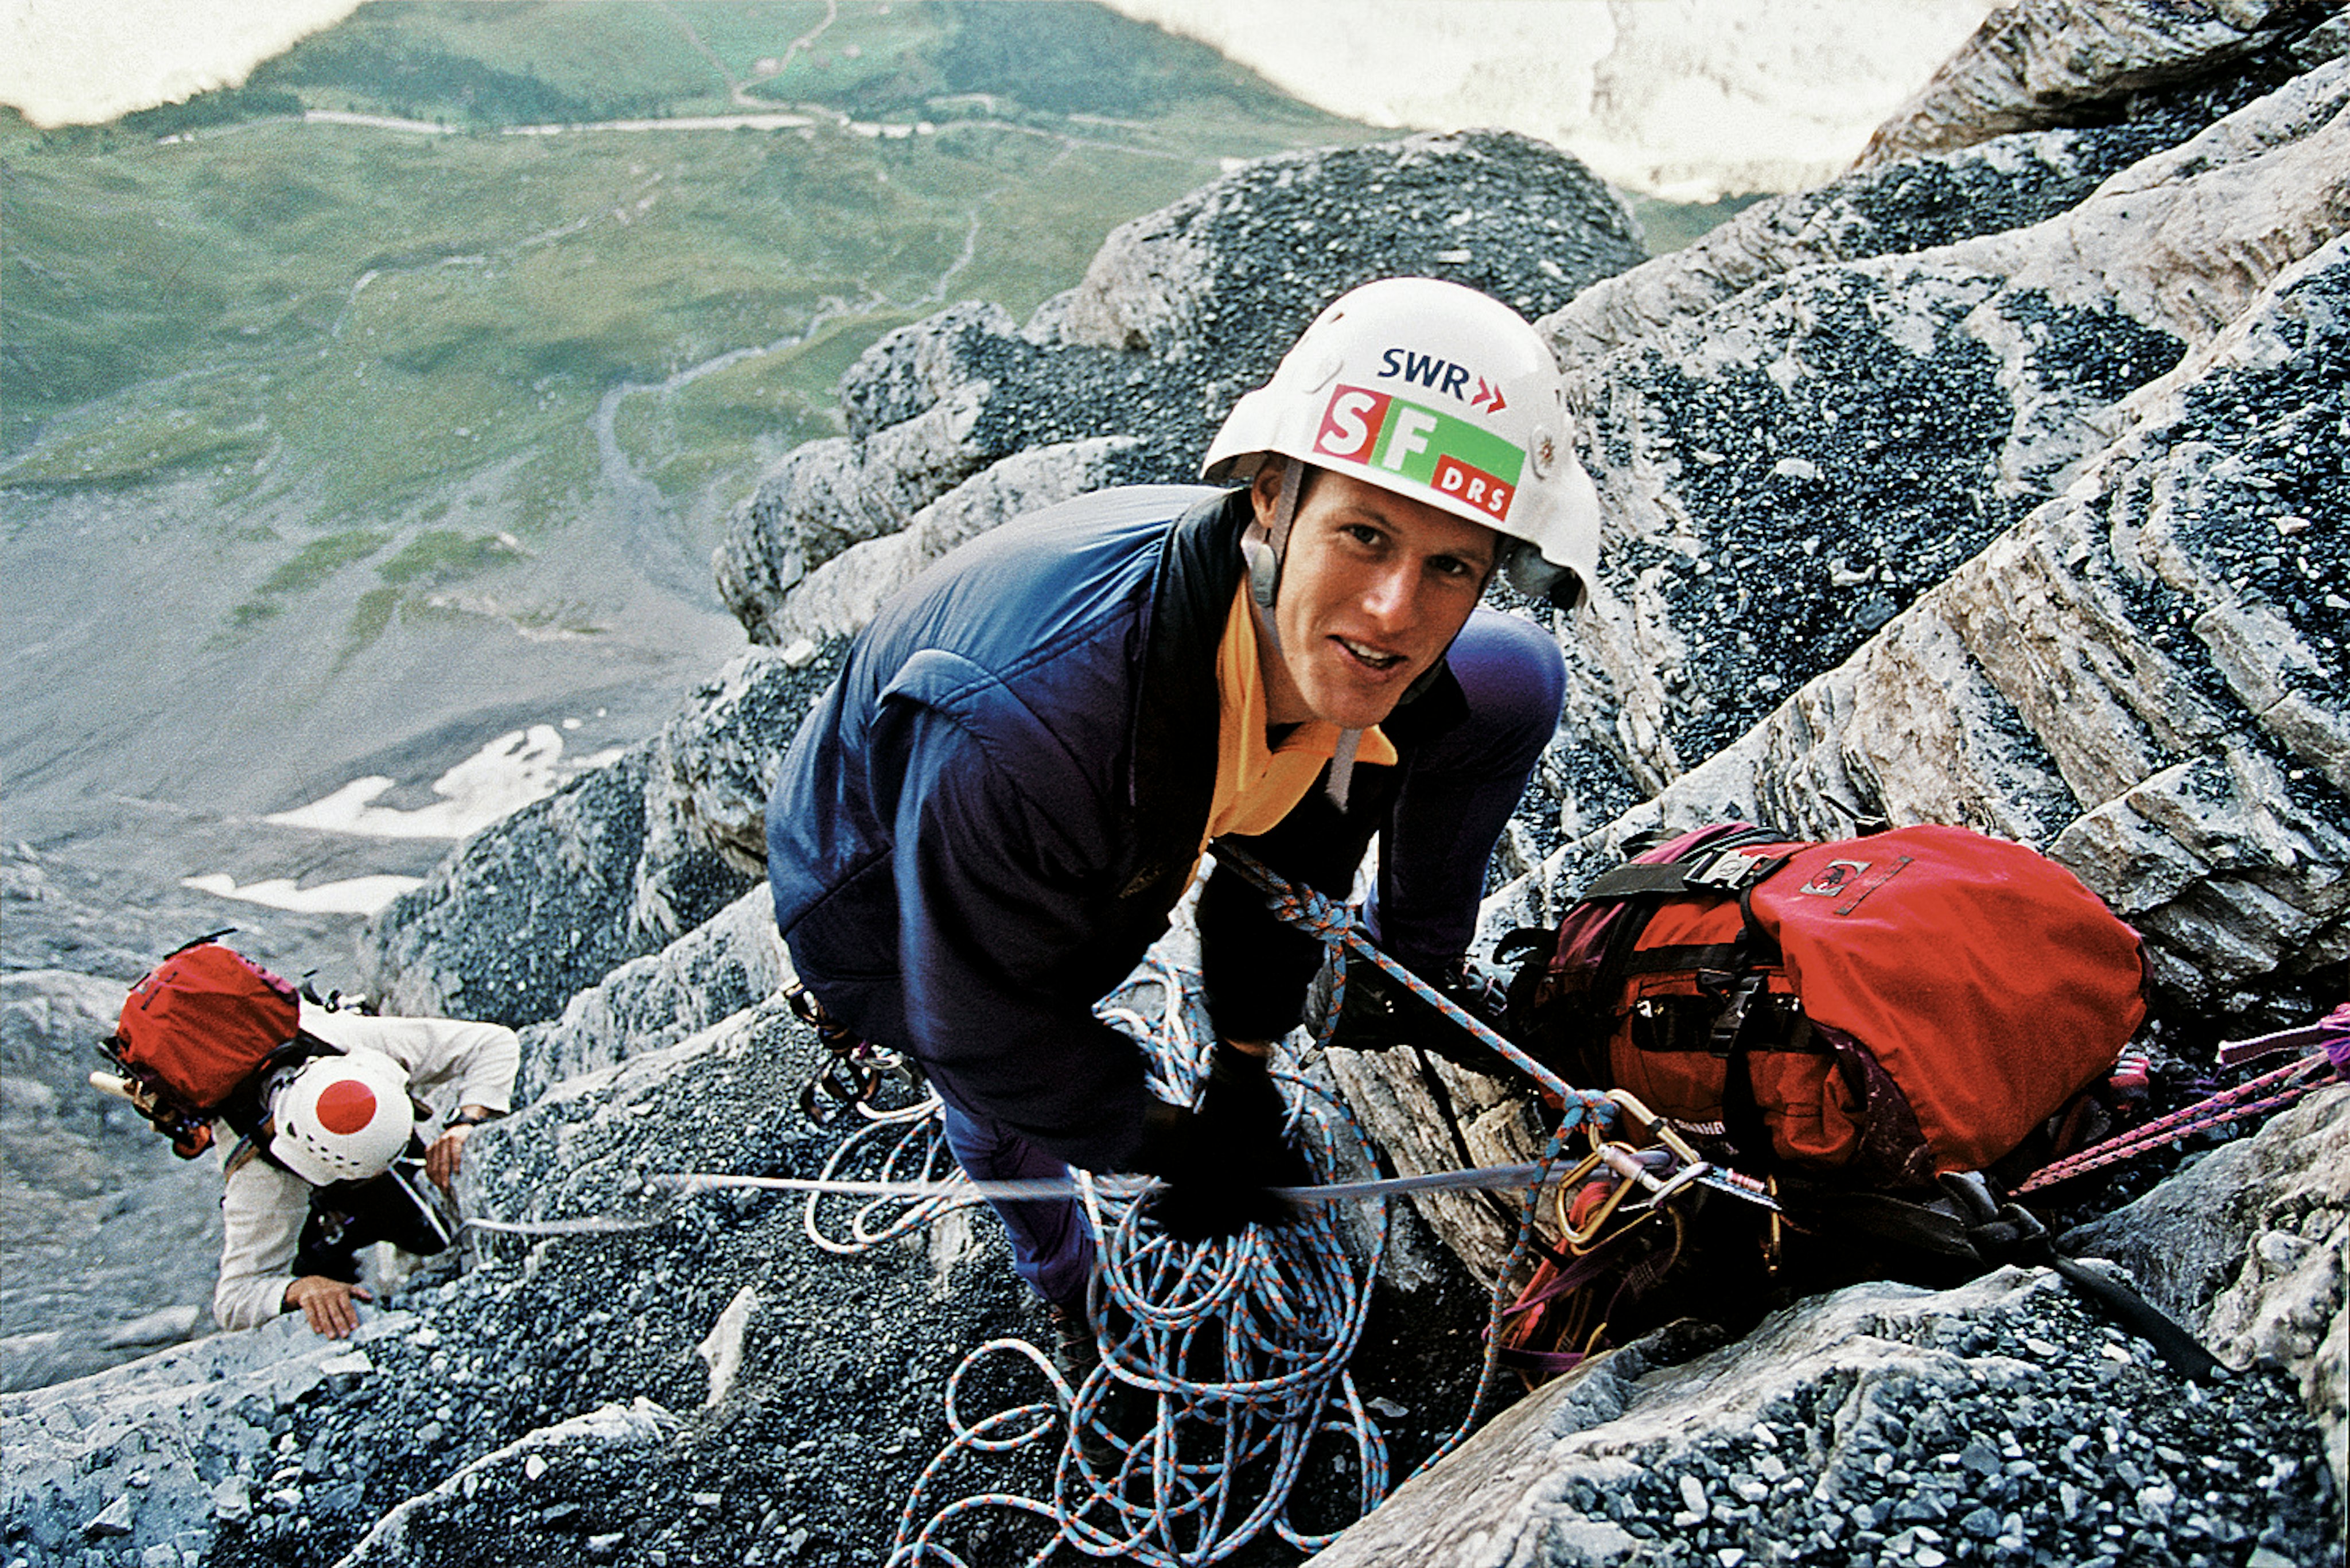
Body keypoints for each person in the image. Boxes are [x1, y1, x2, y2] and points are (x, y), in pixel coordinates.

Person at [764, 277, 1601, 1326]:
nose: (1395, 608)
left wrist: (1244, 1063)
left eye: (1450, 564)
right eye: (1364, 536)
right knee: (991, 1084)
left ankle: (1403, 979)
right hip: (873, 868)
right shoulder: (1037, 741)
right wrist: (1167, 1139)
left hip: (1104, 756)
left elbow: (1303, 842)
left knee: (1513, 676)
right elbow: (984, 1024)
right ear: (1270, 498)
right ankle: (1068, 1287)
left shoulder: (1339, 649)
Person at [212, 1003, 519, 1338]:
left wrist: (467, 1122)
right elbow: (233, 1301)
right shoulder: (261, 1176)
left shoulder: (351, 1043)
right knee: (315, 1267)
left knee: (426, 1235)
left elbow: (493, 1043)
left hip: (347, 1153)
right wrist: (301, 1288)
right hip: (312, 1197)